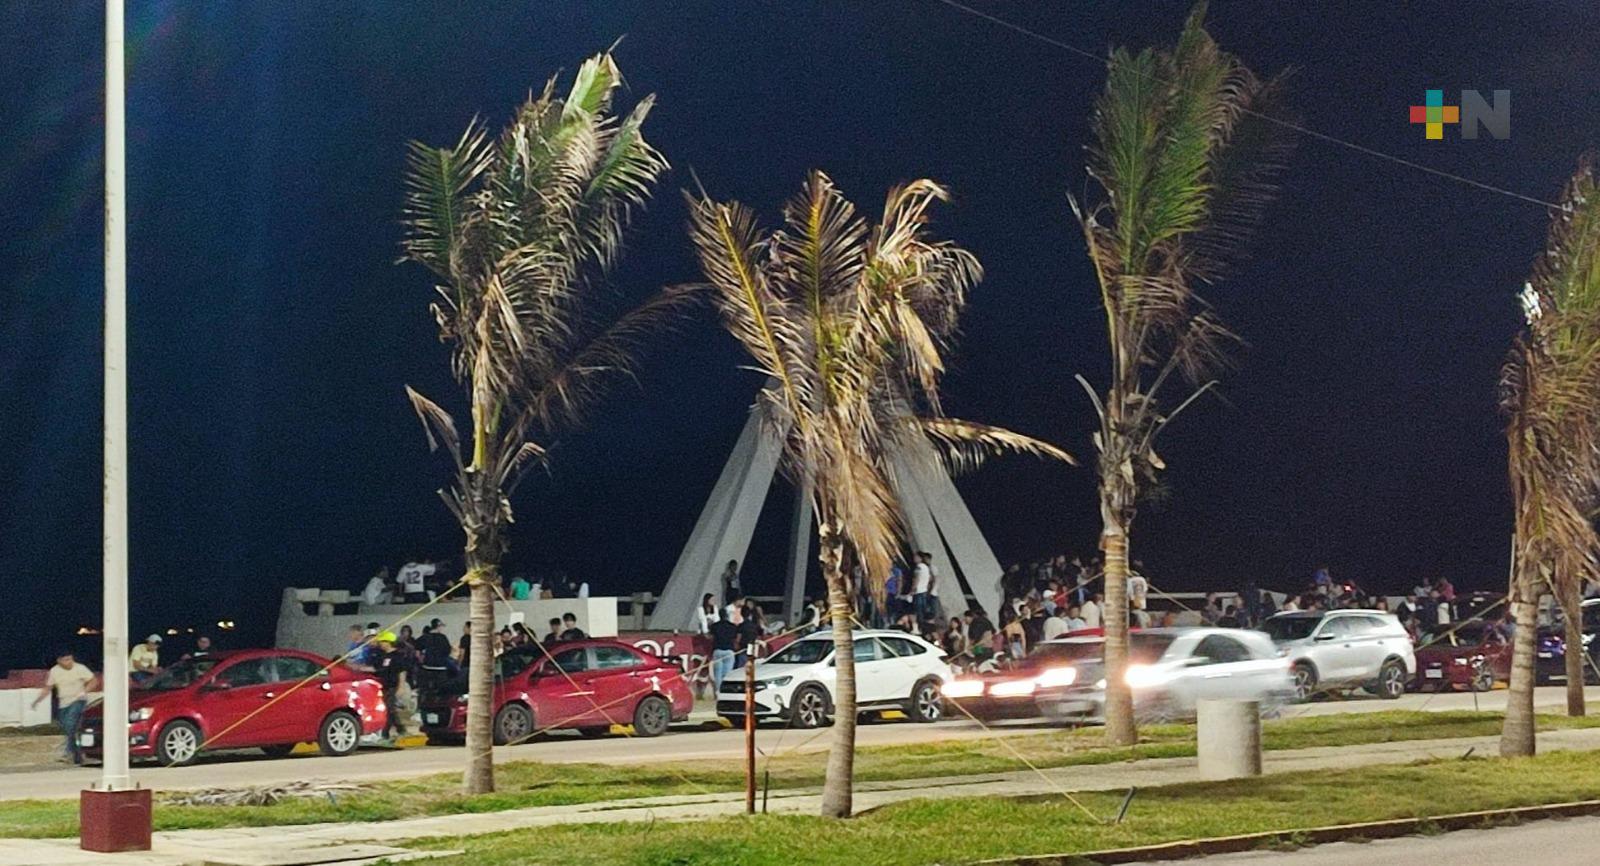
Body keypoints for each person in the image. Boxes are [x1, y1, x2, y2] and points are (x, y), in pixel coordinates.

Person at [34, 651, 97, 764]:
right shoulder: (54, 671)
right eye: (66, 660)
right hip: (63, 703)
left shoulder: (80, 668)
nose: (69, 662)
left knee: (70, 724)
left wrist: (84, 691)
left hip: (78, 701)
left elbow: (93, 681)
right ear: (59, 661)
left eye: (70, 659)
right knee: (69, 730)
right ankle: (77, 755)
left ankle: (67, 753)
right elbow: (48, 687)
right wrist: (37, 701)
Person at [372, 632, 411, 740]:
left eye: (382, 642)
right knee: (389, 710)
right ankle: (399, 730)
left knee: (389, 710)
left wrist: (401, 687)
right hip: (385, 686)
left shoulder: (397, 656)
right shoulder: (383, 656)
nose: (380, 644)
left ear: (388, 643)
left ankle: (389, 732)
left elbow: (402, 672)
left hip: (393, 686)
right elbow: (378, 669)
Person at [709, 614, 738, 694]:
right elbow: (735, 639)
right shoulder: (733, 626)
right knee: (727, 673)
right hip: (729, 650)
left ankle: (718, 691)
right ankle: (725, 690)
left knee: (717, 673)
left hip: (718, 650)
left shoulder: (715, 626)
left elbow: (711, 637)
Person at [912, 551, 937, 623]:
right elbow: (930, 578)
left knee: (918, 612)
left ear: (920, 558)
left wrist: (913, 589)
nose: (914, 558)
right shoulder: (926, 567)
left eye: (915, 557)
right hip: (924, 591)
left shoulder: (918, 567)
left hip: (918, 592)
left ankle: (919, 627)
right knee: (923, 611)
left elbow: (916, 578)